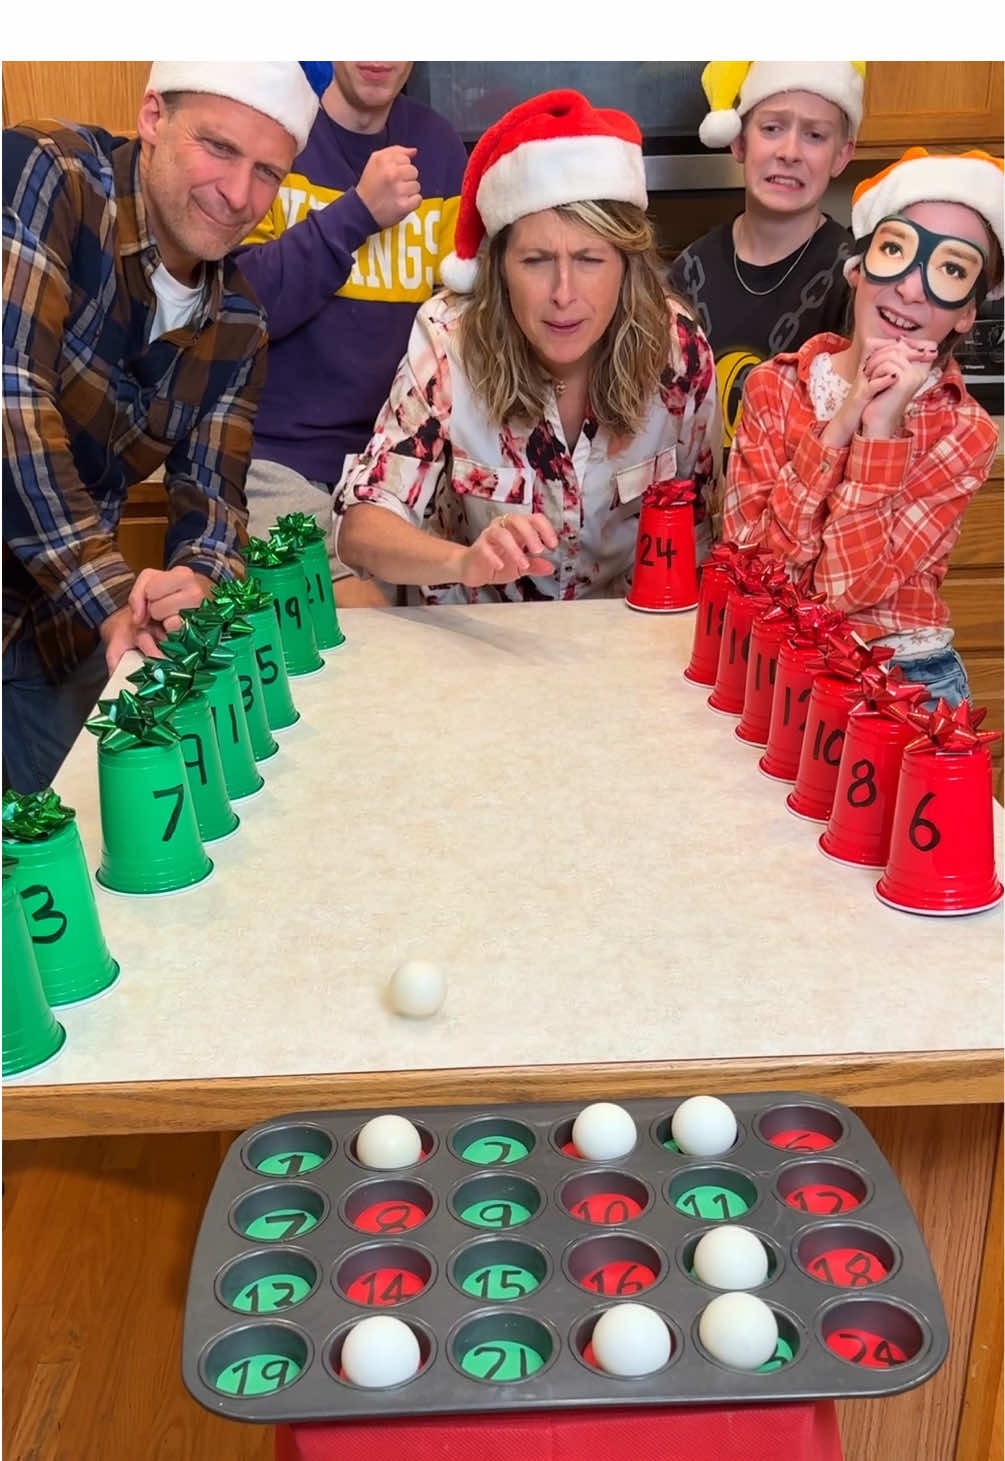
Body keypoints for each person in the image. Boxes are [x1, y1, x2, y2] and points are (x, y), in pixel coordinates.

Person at [2, 61, 327, 793]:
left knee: (70, 859)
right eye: (218, 148)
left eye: (267, 172)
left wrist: (197, 582)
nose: (238, 195)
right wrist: (116, 595)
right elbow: (8, 401)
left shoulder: (241, 325)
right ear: (153, 117)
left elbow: (214, 503)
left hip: (62, 632)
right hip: (90, 597)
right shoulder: (45, 172)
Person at [331, 89, 721, 605]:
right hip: (480, 646)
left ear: (627, 268)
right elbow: (362, 525)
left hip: (625, 643)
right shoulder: (450, 340)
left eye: (590, 259)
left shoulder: (679, 352)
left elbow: (705, 536)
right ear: (500, 270)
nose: (563, 294)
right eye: (536, 261)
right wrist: (463, 563)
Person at [722, 148, 1004, 706]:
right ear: (858, 270)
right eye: (896, 250)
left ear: (967, 312)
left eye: (950, 270)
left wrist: (879, 431)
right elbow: (755, 574)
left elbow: (844, 591)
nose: (912, 288)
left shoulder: (965, 431)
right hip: (776, 667)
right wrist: (840, 424)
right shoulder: (773, 390)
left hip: (907, 678)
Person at [235, 62, 467, 602]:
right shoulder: (281, 136)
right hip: (281, 465)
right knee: (356, 637)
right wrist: (357, 212)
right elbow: (243, 311)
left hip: (406, 473)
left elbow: (462, 322)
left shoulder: (439, 145)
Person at [669, 61, 864, 456]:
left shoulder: (856, 280)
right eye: (772, 128)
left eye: (814, 135)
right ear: (739, 141)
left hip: (804, 512)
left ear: (842, 155)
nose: (789, 152)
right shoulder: (689, 272)